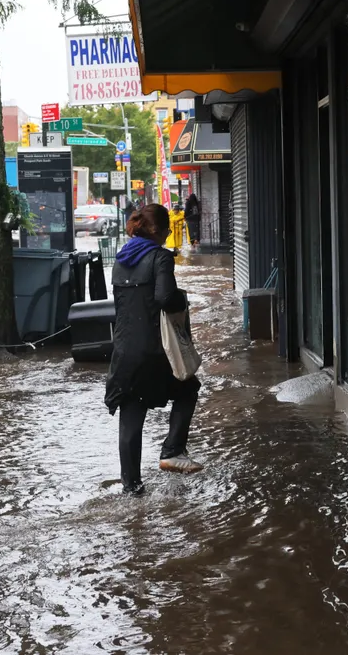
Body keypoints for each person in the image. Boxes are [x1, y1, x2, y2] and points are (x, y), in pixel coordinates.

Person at [104, 203, 203, 496]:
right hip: (153, 350)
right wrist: (181, 301)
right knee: (188, 387)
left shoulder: (121, 259)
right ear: (158, 231)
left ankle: (131, 488)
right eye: (167, 231)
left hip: (124, 351)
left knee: (131, 415)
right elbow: (164, 297)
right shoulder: (160, 257)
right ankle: (172, 450)